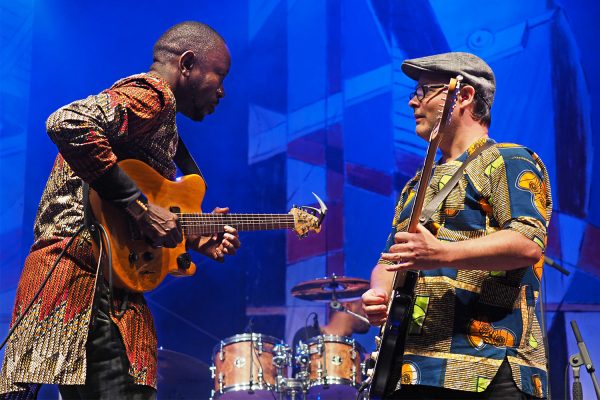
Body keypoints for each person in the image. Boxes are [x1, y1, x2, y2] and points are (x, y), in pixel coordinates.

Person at [0, 21, 241, 399]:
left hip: (105, 285)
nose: (223, 91)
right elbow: (67, 121)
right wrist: (143, 209)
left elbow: (122, 217)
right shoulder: (153, 95)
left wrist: (187, 241)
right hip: (82, 279)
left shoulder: (161, 122)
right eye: (219, 76)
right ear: (188, 63)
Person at [361, 52, 552, 399]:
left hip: (487, 365)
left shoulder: (508, 159)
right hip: (414, 370)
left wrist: (440, 253)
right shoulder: (415, 185)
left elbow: (527, 243)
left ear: (463, 96)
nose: (411, 101)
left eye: (424, 91)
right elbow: (391, 259)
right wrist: (380, 293)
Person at [292, 299, 370, 376]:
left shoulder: (359, 350)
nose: (368, 313)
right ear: (347, 306)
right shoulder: (308, 335)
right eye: (363, 306)